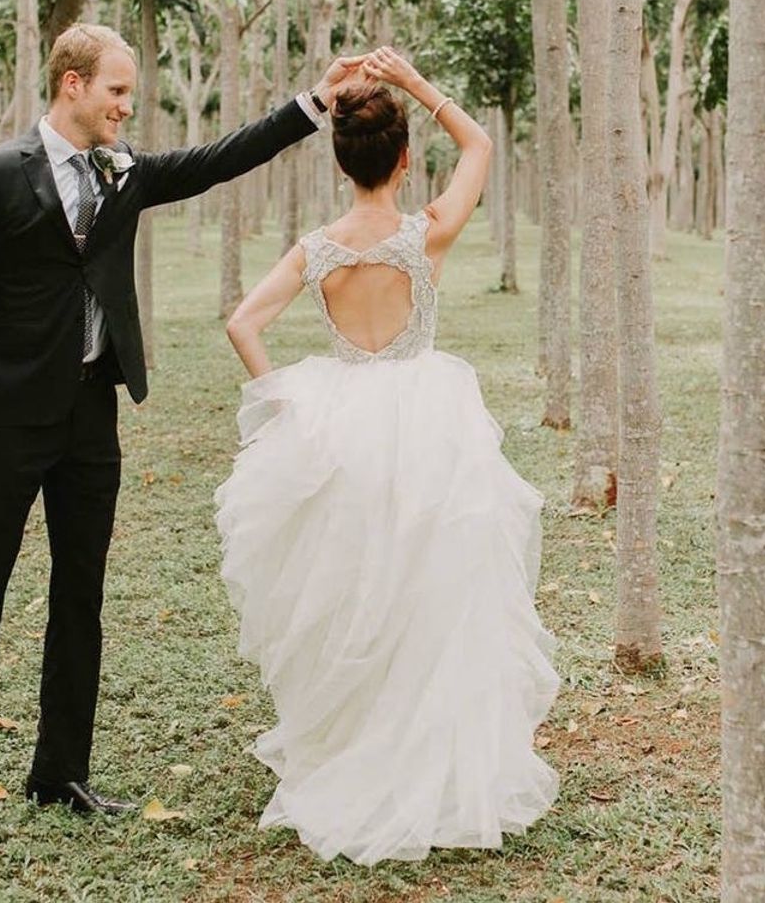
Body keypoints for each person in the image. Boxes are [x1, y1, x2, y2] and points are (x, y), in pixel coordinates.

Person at [0, 21, 366, 843]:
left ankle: (61, 774)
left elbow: (220, 158)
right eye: (118, 91)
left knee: (80, 595)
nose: (128, 106)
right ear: (73, 84)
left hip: (94, 414)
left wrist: (314, 103)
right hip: (9, 421)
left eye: (132, 93)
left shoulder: (125, 173)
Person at [215, 46, 560, 866]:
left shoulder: (317, 248)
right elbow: (479, 145)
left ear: (340, 161)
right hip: (427, 421)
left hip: (341, 424)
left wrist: (289, 406)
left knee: (356, 592)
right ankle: (429, 765)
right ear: (405, 159)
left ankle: (354, 750)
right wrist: (412, 82)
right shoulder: (427, 232)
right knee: (431, 594)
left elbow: (242, 324)